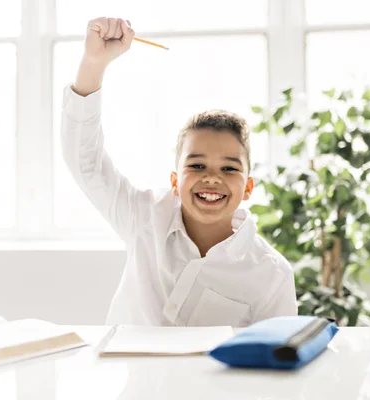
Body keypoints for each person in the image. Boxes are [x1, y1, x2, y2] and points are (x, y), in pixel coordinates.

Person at [61, 17, 297, 327]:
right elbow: (85, 163)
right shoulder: (143, 216)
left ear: (248, 187)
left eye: (229, 168)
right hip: (130, 374)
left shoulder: (271, 273)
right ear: (175, 181)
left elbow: (273, 359)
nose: (212, 178)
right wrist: (94, 62)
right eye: (196, 165)